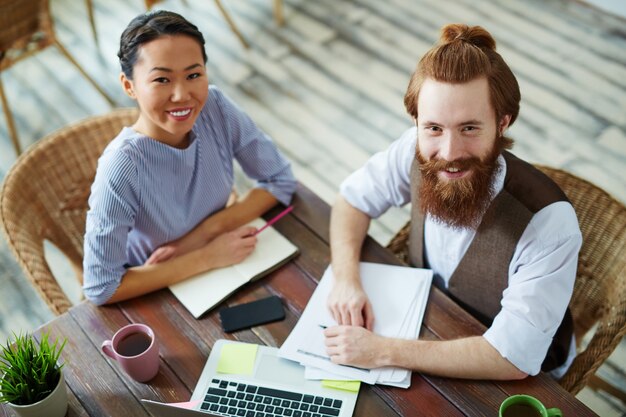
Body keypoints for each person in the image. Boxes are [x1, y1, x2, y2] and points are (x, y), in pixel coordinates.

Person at [325, 23, 582, 380]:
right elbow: (351, 201)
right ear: (417, 122)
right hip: (425, 322)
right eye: (434, 128)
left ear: (502, 123)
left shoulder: (549, 224)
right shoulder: (412, 148)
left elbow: (511, 357)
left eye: (469, 128)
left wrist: (382, 350)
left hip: (516, 374)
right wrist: (345, 280)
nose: (449, 153)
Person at [83, 11, 296, 305]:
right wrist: (206, 257)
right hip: (156, 286)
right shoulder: (120, 167)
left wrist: (202, 236)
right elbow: (101, 288)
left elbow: (279, 180)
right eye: (162, 79)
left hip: (224, 258)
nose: (182, 95)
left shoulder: (215, 106)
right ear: (129, 86)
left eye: (194, 75)